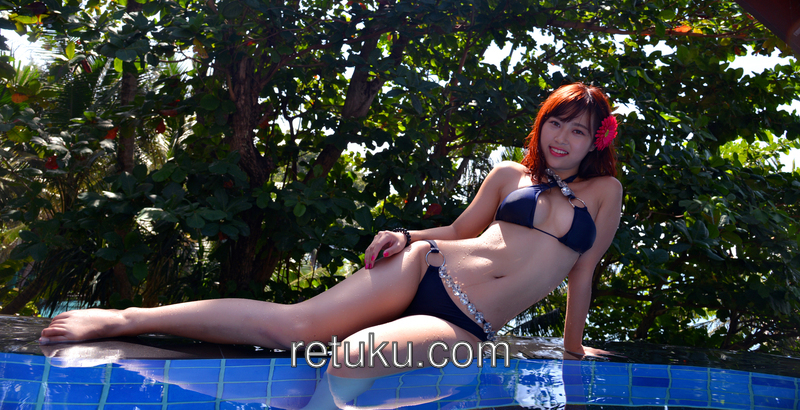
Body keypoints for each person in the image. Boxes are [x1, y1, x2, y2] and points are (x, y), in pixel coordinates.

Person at [39, 82, 623, 381]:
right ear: (542, 124)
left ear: (595, 141)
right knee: (292, 327)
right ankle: (124, 320)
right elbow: (459, 229)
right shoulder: (509, 175)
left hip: (465, 322)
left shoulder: (603, 192)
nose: (562, 138)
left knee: (350, 359)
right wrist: (405, 235)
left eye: (578, 131)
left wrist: (573, 349)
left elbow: (584, 272)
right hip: (426, 264)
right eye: (556, 123)